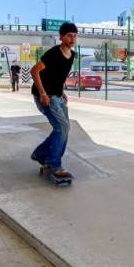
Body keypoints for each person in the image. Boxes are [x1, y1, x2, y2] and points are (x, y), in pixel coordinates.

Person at [29, 22, 77, 179]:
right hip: (45, 96)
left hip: (57, 95)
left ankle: (41, 154)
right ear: (61, 37)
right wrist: (43, 94)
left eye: (74, 36)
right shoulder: (53, 53)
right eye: (69, 35)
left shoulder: (72, 56)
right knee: (62, 127)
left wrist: (61, 91)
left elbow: (58, 75)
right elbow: (34, 71)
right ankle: (54, 164)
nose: (72, 38)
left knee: (64, 128)